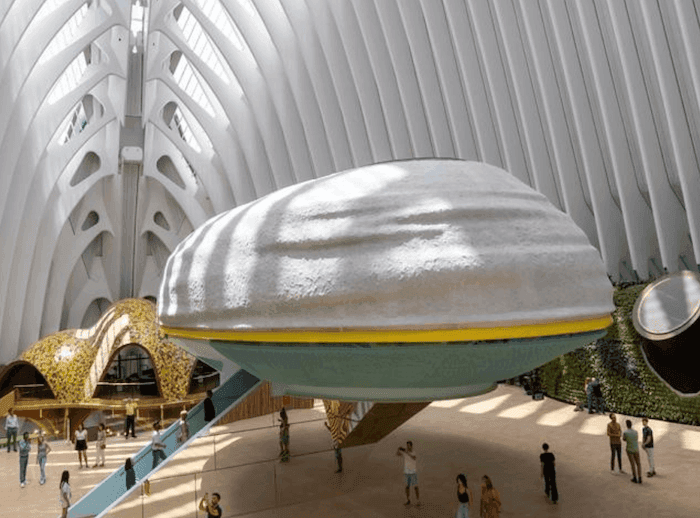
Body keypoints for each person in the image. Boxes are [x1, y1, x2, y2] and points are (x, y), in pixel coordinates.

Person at [396, 441, 420, 507]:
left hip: (413, 472)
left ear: (411, 446)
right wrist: (399, 450)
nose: (408, 447)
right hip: (406, 473)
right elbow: (397, 454)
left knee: (415, 487)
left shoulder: (413, 452)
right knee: (407, 487)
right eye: (407, 446)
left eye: (409, 446)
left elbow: (414, 457)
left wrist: (407, 452)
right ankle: (408, 500)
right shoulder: (405, 453)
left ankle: (418, 500)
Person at [623, 419, 642, 483]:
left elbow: (624, 439)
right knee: (638, 463)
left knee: (632, 464)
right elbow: (637, 438)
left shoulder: (625, 432)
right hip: (636, 449)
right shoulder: (635, 432)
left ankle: (635, 477)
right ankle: (640, 477)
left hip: (629, 449)